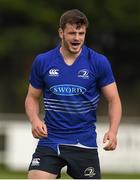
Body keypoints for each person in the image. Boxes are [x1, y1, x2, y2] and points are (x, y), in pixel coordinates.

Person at [25, 9, 122, 179]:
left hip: (83, 141)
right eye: (72, 33)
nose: (77, 38)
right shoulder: (43, 61)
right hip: (51, 139)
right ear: (61, 33)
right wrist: (34, 120)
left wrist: (113, 131)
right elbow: (32, 97)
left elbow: (114, 99)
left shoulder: (98, 62)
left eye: (81, 33)